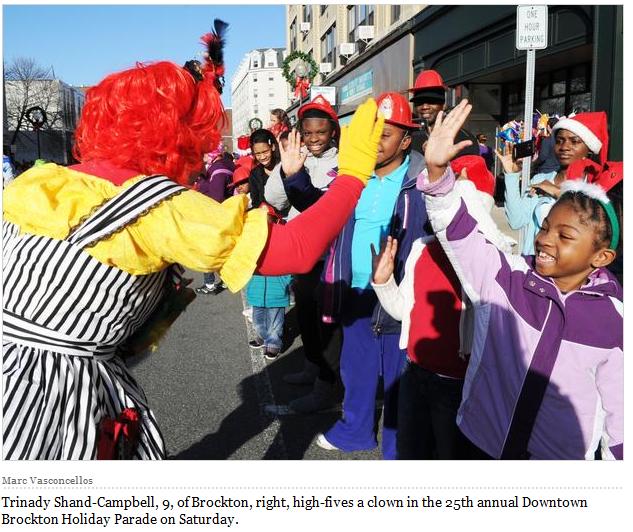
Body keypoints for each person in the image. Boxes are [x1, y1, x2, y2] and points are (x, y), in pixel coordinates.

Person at [1, 19, 385, 460]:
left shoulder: (42, 183)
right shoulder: (158, 203)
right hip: (56, 400)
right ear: (176, 132)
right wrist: (353, 176)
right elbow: (295, 250)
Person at [417, 99, 622, 460]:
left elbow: (620, 420)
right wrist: (437, 175)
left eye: (565, 236)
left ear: (601, 258)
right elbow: (460, 234)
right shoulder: (509, 278)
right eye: (545, 228)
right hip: (481, 443)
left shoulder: (614, 321)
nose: (544, 239)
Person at [293, 92, 428, 458]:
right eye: (372, 133)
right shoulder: (350, 177)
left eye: (386, 134)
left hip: (397, 294)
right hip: (353, 291)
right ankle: (355, 431)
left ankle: (400, 446)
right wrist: (294, 177)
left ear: (405, 140)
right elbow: (317, 210)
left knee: (401, 376)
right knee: (357, 368)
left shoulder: (423, 182)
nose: (376, 142)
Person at [371, 164, 515, 460]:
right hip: (413, 373)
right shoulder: (421, 250)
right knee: (410, 454)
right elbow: (402, 311)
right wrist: (384, 282)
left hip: (458, 385)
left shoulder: (491, 260)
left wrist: (463, 195)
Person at [264, 95, 342, 412]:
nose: (313, 139)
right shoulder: (299, 157)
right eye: (308, 133)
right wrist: (286, 170)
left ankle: (327, 383)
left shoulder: (345, 163)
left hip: (333, 258)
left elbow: (324, 208)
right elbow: (274, 199)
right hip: (302, 257)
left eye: (320, 132)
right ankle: (311, 366)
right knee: (308, 319)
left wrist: (300, 178)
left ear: (333, 132)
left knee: (329, 327)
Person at [499, 111, 610, 255]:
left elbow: (596, 228)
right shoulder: (540, 181)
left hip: (571, 273)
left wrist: (559, 193)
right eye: (559, 140)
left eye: (574, 141)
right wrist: (512, 176)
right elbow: (516, 221)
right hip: (536, 267)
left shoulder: (595, 186)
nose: (564, 147)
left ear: (589, 148)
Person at [246, 205, 292, 360]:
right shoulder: (251, 243)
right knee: (258, 319)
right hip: (256, 290)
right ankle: (262, 336)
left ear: (275, 221)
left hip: (277, 291)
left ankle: (273, 344)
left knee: (275, 322)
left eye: (267, 220)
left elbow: (290, 265)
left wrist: (286, 282)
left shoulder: (281, 242)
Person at [408, 69, 478, 158]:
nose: (425, 106)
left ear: (443, 105)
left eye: (431, 101)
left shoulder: (463, 137)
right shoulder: (408, 138)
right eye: (419, 102)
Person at [195, 144, 235, 294]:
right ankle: (223, 281)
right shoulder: (222, 166)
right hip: (219, 217)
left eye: (205, 154)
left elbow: (216, 198)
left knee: (208, 252)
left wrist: (202, 182)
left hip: (213, 218)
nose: (203, 157)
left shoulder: (218, 170)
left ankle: (210, 284)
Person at [248, 129, 281, 209]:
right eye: (258, 154)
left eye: (265, 152)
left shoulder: (284, 166)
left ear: (272, 147)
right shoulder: (255, 175)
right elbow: (256, 202)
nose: (262, 157)